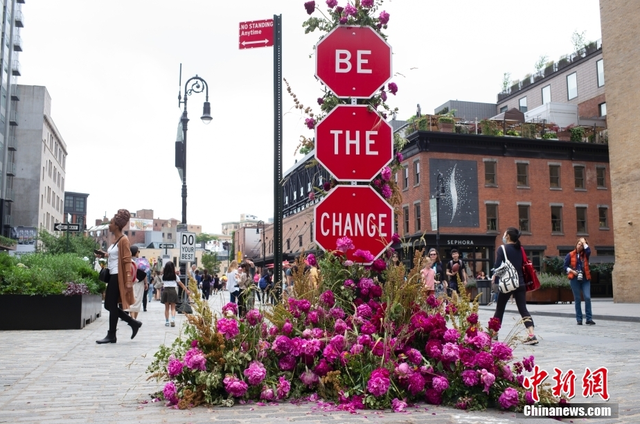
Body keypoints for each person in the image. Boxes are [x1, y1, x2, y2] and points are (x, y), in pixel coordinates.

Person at [95, 209, 142, 344]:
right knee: (110, 305)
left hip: (118, 276)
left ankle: (115, 332)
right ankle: (130, 324)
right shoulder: (116, 241)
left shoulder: (124, 240)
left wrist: (128, 280)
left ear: (116, 225)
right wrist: (104, 254)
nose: (109, 225)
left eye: (111, 223)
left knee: (110, 305)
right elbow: (115, 256)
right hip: (113, 274)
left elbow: (127, 260)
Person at [492, 227, 538, 345]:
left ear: (507, 236)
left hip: (508, 283)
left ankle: (494, 334)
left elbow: (497, 267)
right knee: (523, 309)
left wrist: (495, 280)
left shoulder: (502, 249)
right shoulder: (520, 249)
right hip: (520, 282)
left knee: (500, 309)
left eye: (504, 233)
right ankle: (531, 334)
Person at [564, 237, 595, 325]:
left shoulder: (586, 254)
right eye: (578, 244)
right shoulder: (570, 254)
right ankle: (579, 319)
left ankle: (589, 319)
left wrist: (584, 241)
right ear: (576, 244)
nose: (579, 246)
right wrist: (572, 271)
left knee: (587, 297)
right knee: (577, 299)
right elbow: (565, 266)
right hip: (574, 279)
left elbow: (588, 250)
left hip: (585, 279)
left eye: (581, 245)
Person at [161, 261, 190, 327]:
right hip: (173, 291)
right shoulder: (175, 276)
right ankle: (173, 320)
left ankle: (167, 321)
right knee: (173, 307)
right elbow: (181, 284)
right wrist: (186, 290)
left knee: (166, 308)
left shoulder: (163, 276)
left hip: (166, 291)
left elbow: (162, 284)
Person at [127, 246, 147, 320]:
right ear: (136, 252)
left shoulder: (127, 261)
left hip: (130, 282)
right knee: (138, 300)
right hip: (139, 282)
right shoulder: (141, 262)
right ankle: (134, 318)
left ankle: (132, 318)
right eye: (138, 251)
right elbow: (144, 273)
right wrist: (146, 283)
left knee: (131, 301)